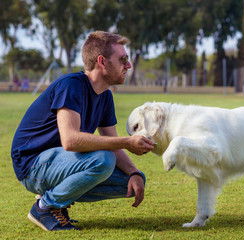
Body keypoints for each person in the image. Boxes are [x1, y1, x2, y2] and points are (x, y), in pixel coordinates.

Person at [11, 31, 155, 231]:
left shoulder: (105, 97)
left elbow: (112, 144)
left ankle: (56, 197)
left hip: (60, 163)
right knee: (102, 160)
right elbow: (70, 141)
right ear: (102, 61)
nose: (128, 65)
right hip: (32, 165)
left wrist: (134, 172)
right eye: (123, 60)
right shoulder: (71, 85)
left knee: (131, 180)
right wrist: (126, 142)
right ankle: (45, 207)